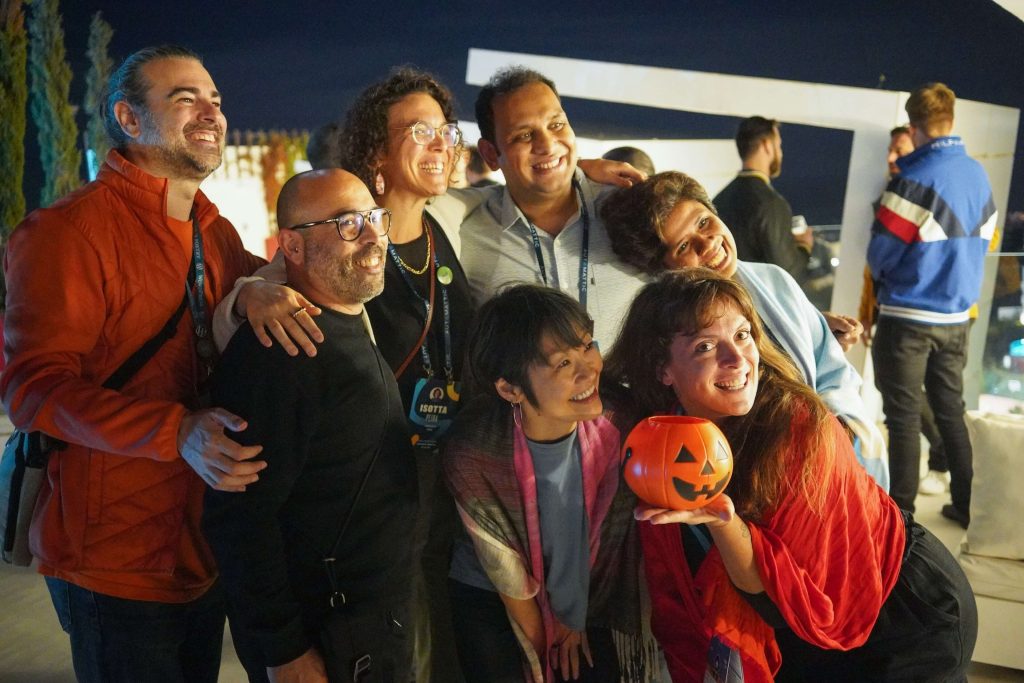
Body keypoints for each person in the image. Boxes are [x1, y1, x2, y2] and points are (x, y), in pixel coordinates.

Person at [0, 45, 267, 682]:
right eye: (185, 100)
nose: (212, 113)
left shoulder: (214, 231)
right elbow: (33, 389)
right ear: (128, 117)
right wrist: (176, 431)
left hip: (203, 543)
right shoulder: (68, 231)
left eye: (216, 100)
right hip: (112, 556)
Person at [604, 270, 977, 682]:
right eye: (705, 346)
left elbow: (783, 594)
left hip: (905, 614)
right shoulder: (659, 434)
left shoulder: (798, 428)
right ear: (663, 369)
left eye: (743, 335)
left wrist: (725, 522)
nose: (737, 359)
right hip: (803, 634)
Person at [204, 169, 417, 683]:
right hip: (326, 641)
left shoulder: (344, 318)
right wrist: (284, 649)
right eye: (347, 224)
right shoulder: (280, 350)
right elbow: (240, 517)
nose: (372, 236)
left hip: (368, 624)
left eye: (374, 218)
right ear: (292, 247)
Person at [600, 171, 888, 488]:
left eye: (703, 222)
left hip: (825, 456)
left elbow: (833, 372)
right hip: (738, 476)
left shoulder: (775, 281)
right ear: (663, 268)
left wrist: (835, 432)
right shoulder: (665, 329)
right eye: (684, 246)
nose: (707, 243)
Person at [443, 285, 647, 683]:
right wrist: (549, 640)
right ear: (510, 389)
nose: (589, 371)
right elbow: (502, 566)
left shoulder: (621, 425)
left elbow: (599, 539)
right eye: (563, 363)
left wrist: (572, 620)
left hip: (587, 587)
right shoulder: (474, 451)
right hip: (496, 594)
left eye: (587, 347)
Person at [868, 82, 997, 525]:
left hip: (907, 317)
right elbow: (986, 238)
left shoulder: (911, 182)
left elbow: (879, 255)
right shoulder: (978, 175)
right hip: (957, 318)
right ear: (951, 120)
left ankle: (901, 521)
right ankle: (966, 505)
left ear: (914, 127)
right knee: (951, 412)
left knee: (903, 419)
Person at [459, 66, 649, 346]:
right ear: (490, 154)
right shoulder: (466, 238)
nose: (547, 145)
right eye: (524, 135)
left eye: (556, 125)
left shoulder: (629, 208)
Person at [859, 125, 951, 497]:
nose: (891, 158)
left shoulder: (929, 191)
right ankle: (936, 463)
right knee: (896, 392)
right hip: (893, 307)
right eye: (890, 150)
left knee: (905, 405)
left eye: (900, 149)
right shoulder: (891, 194)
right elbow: (874, 267)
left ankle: (930, 470)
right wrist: (868, 311)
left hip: (923, 311)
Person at [713, 116, 814, 282]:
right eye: (779, 146)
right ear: (767, 145)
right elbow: (788, 274)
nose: (781, 153)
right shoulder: (772, 204)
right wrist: (804, 246)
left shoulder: (718, 200)